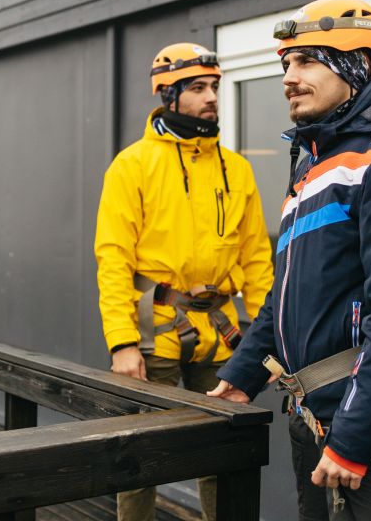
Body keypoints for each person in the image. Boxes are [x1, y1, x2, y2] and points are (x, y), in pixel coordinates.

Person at [208, 0, 371, 521]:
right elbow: (287, 292)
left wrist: (354, 437)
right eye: (285, 64)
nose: (289, 77)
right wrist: (244, 373)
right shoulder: (317, 168)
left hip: (362, 416)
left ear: (356, 64)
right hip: (312, 408)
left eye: (307, 61)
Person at [95, 42, 274, 521]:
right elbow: (112, 259)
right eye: (198, 88)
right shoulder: (132, 166)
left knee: (222, 452)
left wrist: (264, 337)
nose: (212, 97)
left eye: (214, 87)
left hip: (222, 337)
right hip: (153, 341)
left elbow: (257, 257)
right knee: (139, 458)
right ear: (168, 95)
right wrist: (121, 343)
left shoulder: (236, 169)